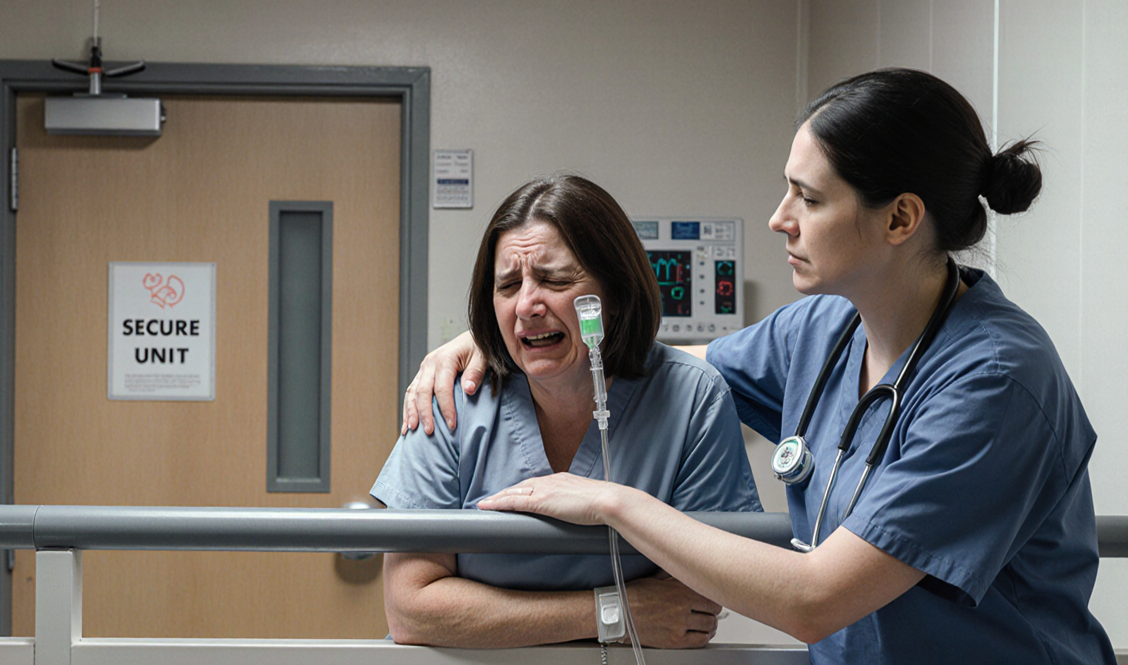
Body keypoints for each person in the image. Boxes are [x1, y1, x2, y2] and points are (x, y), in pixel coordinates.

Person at [404, 69, 1115, 663]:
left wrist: (609, 501)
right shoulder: (821, 330)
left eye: (808, 198)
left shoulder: (996, 385)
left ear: (900, 219)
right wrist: (501, 336)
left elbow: (813, 601)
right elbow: (652, 360)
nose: (779, 218)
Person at [372, 173, 762, 649]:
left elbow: (691, 604)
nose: (527, 306)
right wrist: (615, 610)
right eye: (509, 285)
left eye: (554, 279)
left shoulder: (690, 401)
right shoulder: (453, 398)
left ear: (613, 294)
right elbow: (412, 609)